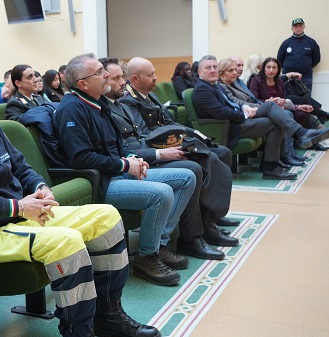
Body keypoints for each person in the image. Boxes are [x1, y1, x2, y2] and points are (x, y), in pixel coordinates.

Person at [0, 59, 161, 337]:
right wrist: (19, 206)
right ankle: (78, 330)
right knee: (68, 240)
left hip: (22, 216)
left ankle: (107, 314)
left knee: (106, 216)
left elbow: (21, 166)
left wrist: (40, 186)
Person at [53, 53, 197, 286]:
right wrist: (124, 164)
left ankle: (157, 244)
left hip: (116, 171)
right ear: (83, 84)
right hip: (100, 182)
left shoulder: (100, 103)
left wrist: (133, 159)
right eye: (99, 72)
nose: (106, 74)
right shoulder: (72, 109)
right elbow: (81, 158)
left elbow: (118, 145)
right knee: (160, 193)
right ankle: (146, 256)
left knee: (186, 177)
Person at [112, 57, 237, 255]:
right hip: (151, 154)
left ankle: (209, 218)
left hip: (163, 146)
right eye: (150, 75)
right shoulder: (128, 101)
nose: (155, 78)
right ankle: (192, 236)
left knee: (222, 152)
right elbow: (144, 137)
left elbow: (168, 123)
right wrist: (169, 148)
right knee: (199, 164)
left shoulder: (149, 96)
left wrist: (194, 135)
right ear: (135, 79)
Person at [192, 55, 329, 180]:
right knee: (273, 112)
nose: (212, 70)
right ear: (200, 72)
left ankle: (273, 165)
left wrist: (243, 107)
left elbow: (232, 103)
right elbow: (221, 112)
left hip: (236, 121)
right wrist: (245, 114)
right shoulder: (202, 89)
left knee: (274, 114)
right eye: (208, 68)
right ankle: (294, 142)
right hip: (228, 127)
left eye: (214, 67)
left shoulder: (213, 85)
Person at [217, 58, 307, 167]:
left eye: (236, 69)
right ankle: (295, 141)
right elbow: (237, 102)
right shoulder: (222, 86)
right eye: (231, 70)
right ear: (221, 73)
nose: (236, 72)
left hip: (251, 111)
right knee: (276, 111)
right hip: (243, 116)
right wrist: (263, 105)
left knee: (282, 113)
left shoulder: (236, 83)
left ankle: (284, 155)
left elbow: (252, 98)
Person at [277, 18, 321, 91]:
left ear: (304, 27)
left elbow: (316, 58)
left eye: (300, 26)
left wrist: (306, 66)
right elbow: (279, 59)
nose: (298, 28)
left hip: (306, 76)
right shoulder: (286, 43)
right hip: (289, 76)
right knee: (289, 99)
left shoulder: (311, 42)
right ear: (292, 28)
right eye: (295, 26)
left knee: (306, 99)